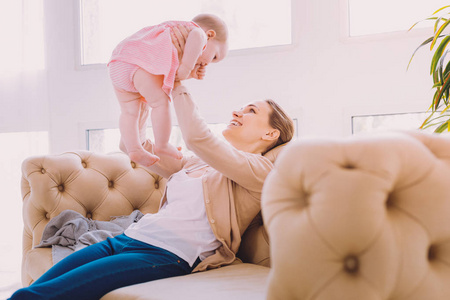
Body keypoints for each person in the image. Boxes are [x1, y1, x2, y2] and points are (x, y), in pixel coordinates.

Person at [8, 26, 294, 300]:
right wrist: (142, 99)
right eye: (243, 106)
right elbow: (133, 149)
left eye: (251, 110)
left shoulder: (260, 171)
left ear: (271, 133)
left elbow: (197, 137)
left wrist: (177, 77)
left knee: (37, 296)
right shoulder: (196, 164)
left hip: (165, 254)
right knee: (43, 285)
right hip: (125, 240)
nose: (238, 111)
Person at [109, 13, 229, 167]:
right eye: (214, 57)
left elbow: (166, 72)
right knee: (160, 103)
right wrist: (187, 66)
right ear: (210, 35)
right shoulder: (196, 32)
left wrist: (189, 72)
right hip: (138, 63)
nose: (207, 64)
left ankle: (134, 148)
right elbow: (197, 38)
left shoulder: (169, 39)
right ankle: (162, 144)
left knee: (129, 112)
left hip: (118, 63)